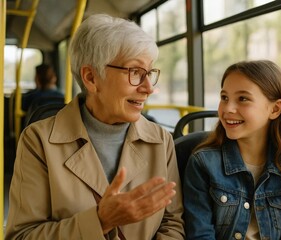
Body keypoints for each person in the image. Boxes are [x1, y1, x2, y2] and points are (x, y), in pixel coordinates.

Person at [6, 14, 185, 240]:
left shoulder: (161, 139)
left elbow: (173, 223)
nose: (148, 88)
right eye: (135, 72)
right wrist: (101, 221)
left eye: (149, 73)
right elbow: (22, 236)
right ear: (91, 78)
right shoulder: (38, 141)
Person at [183, 60, 281, 239]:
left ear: (275, 109)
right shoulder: (203, 163)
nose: (228, 108)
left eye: (243, 99)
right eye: (224, 97)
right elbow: (200, 235)